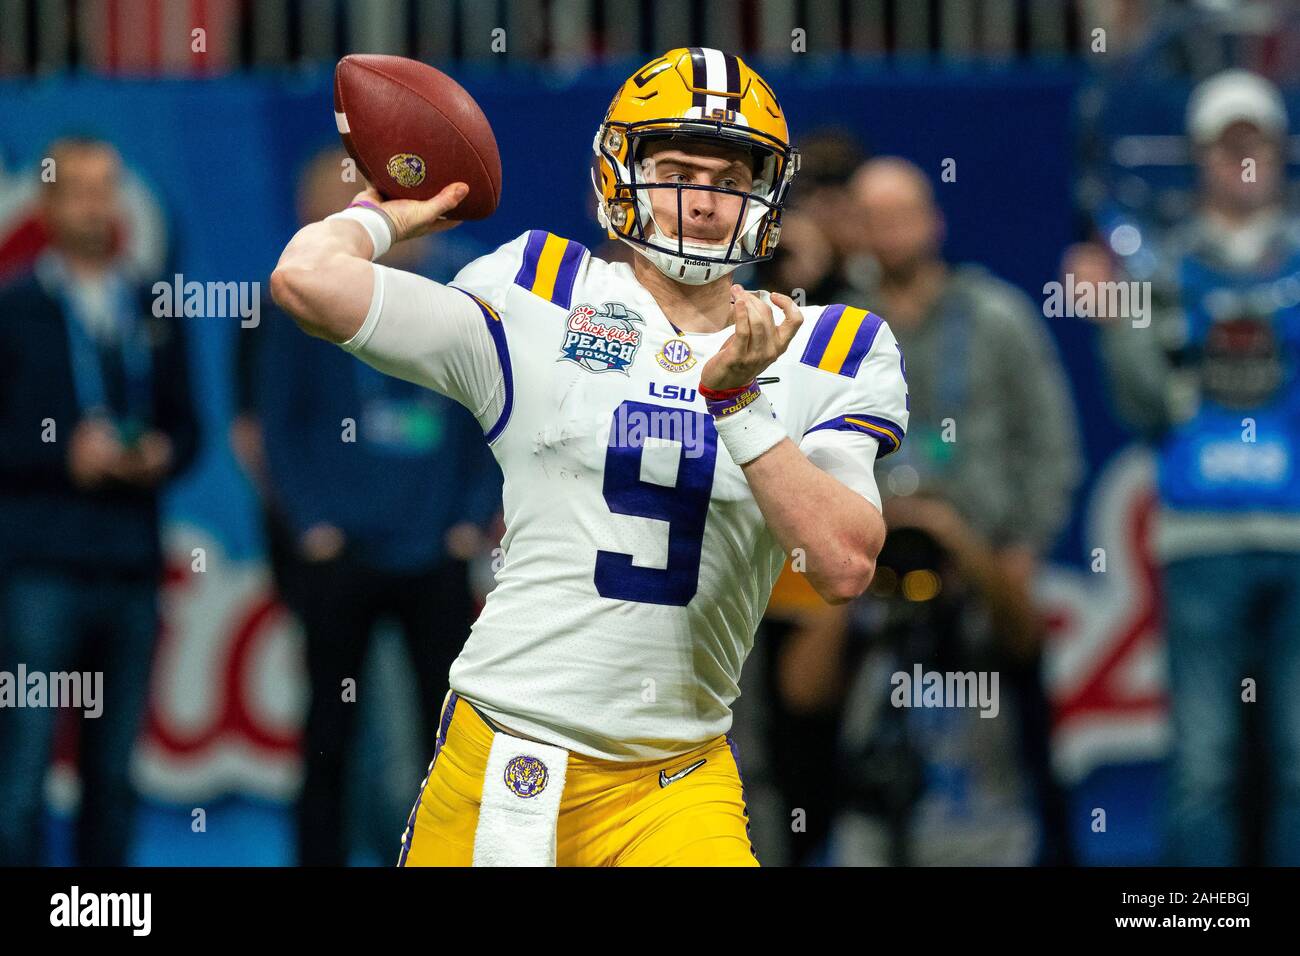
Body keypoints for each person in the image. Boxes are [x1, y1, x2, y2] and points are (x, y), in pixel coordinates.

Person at [270, 47, 909, 867]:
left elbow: (845, 563)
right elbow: (305, 280)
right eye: (676, 169)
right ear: (620, 176)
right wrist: (391, 213)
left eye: (729, 177)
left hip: (678, 780)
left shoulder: (833, 346)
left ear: (767, 194)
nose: (703, 202)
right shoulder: (539, 288)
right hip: (508, 752)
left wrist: (739, 405)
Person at [243, 148, 501, 866]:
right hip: (340, 554)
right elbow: (278, 426)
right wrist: (312, 523)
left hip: (435, 554)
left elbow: (491, 415)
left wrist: (469, 518)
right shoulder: (297, 304)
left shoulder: (460, 296)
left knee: (448, 737)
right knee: (329, 731)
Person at [1081, 69, 1300, 865]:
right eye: (1227, 144)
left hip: (1297, 538)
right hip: (1200, 540)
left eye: (1258, 143)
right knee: (1204, 764)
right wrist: (1111, 320)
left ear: (1280, 152)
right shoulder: (1160, 269)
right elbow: (1142, 404)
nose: (1244, 160)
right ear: (1202, 156)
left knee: (1297, 763)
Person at [837, 157, 1083, 864]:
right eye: (873, 217)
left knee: (1024, 751)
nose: (889, 231)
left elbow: (1050, 441)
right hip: (869, 577)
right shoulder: (834, 323)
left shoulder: (995, 316)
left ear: (935, 222)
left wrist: (1023, 551)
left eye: (903, 214)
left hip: (984, 568)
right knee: (855, 745)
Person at [0, 137, 199, 865]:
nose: (94, 203)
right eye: (77, 188)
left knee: (113, 774)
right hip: (38, 569)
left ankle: (99, 915)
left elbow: (191, 428)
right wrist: (61, 455)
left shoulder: (152, 305)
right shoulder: (13, 307)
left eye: (106, 187)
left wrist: (161, 454)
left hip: (127, 566)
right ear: (46, 202)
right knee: (20, 771)